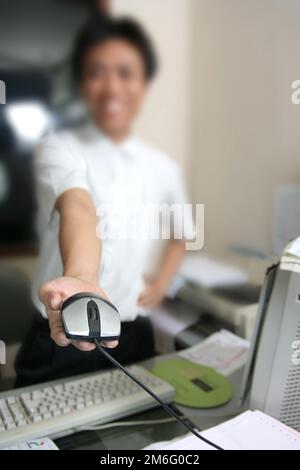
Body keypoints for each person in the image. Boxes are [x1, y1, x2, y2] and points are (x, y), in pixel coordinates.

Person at [15, 15, 194, 387]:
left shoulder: (163, 168)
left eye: (126, 73)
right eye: (97, 72)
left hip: (131, 337)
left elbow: (182, 234)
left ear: (143, 85)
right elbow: (79, 207)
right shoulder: (58, 148)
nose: (112, 87)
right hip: (60, 334)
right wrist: (82, 278)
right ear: (82, 83)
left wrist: (160, 283)